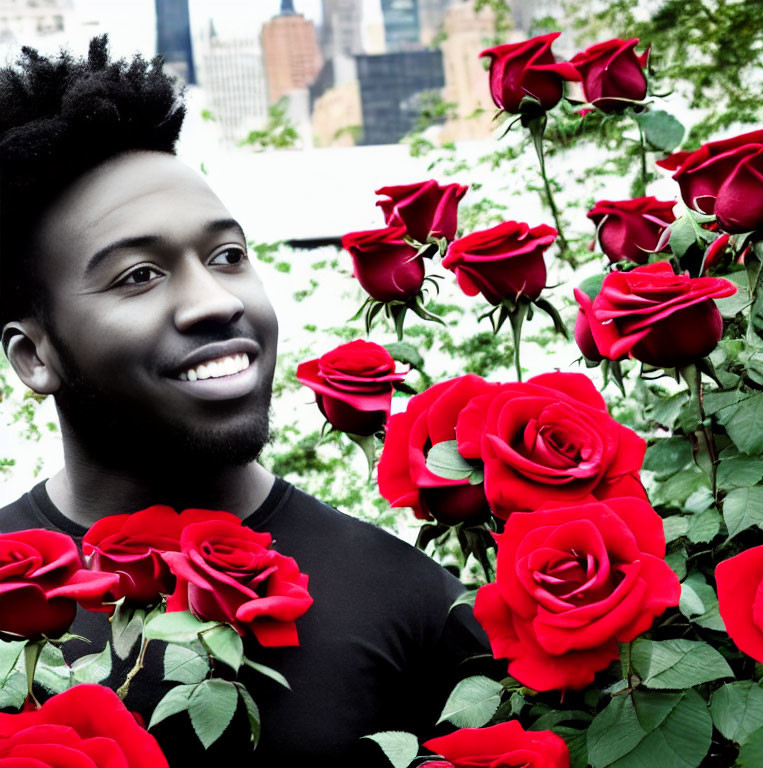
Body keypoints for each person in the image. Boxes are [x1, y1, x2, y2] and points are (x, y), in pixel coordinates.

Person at [0, 37, 489, 767]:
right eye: (138, 275)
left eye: (229, 256)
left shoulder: (417, 606)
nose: (215, 301)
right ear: (35, 356)